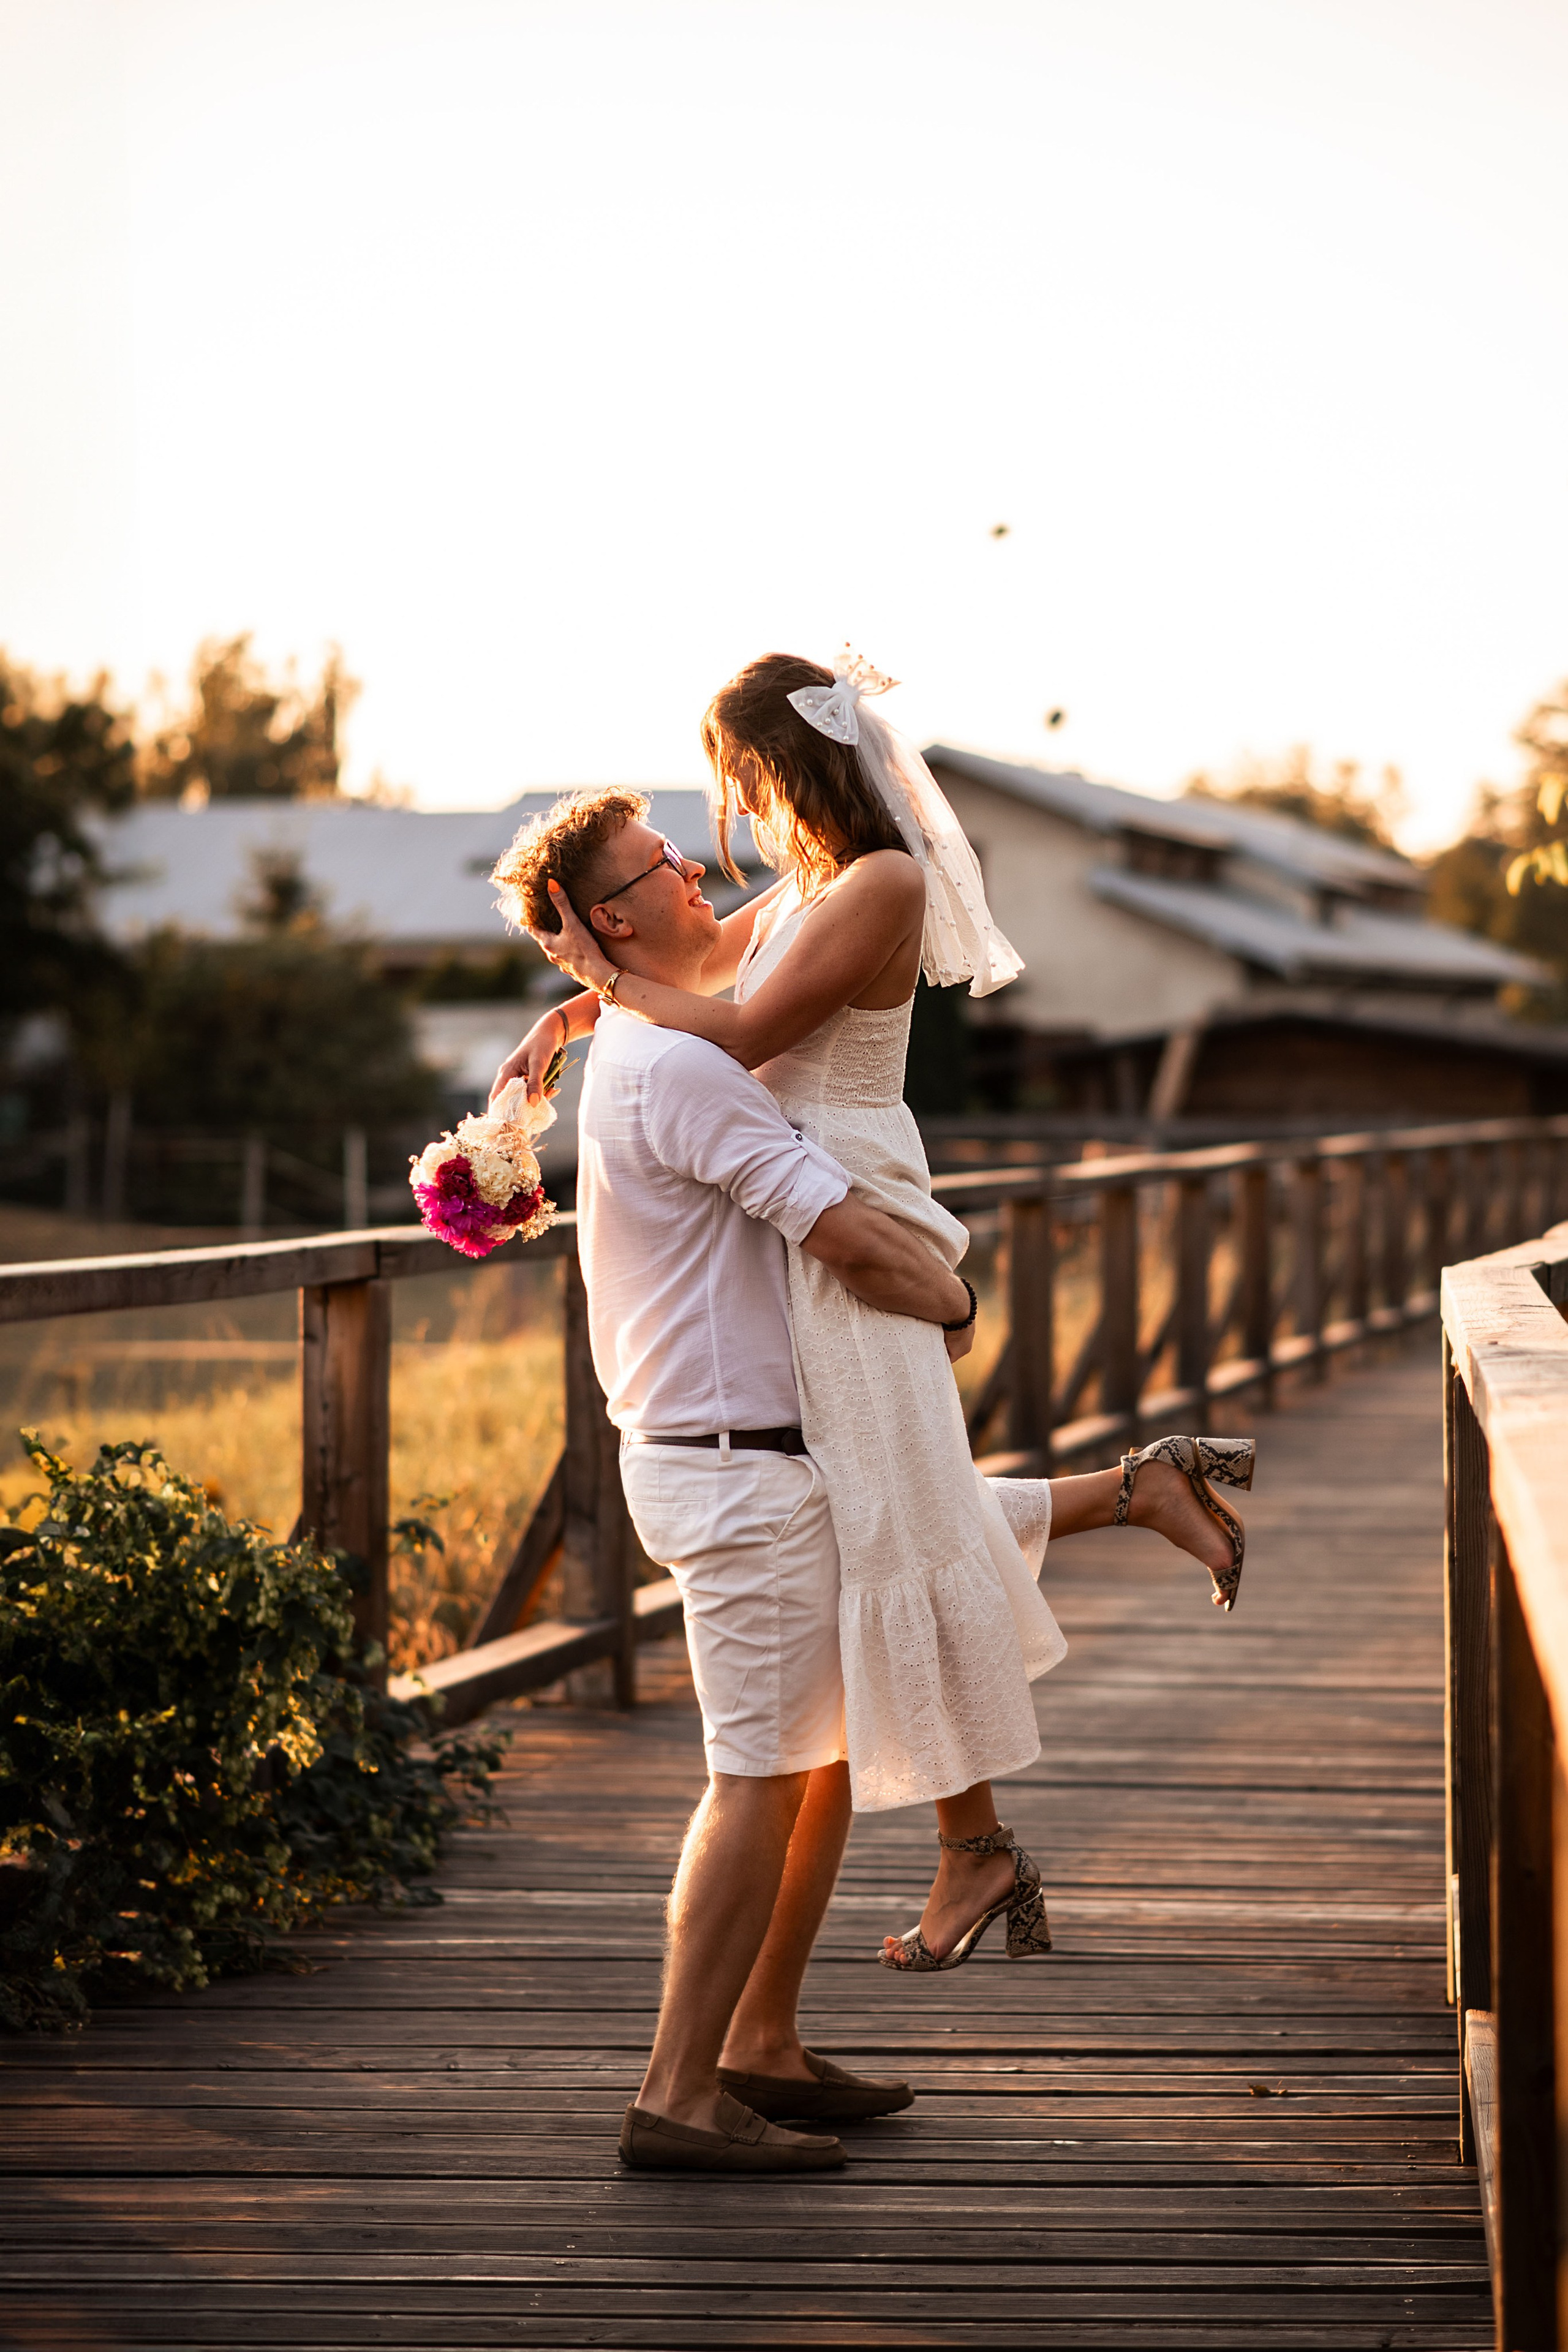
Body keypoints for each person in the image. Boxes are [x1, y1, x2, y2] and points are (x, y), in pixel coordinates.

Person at [492, 656, 1254, 1978]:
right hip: (800, 1211)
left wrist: (590, 979)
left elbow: (728, 1034)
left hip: (843, 1196)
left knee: (894, 1517)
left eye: (732, 777)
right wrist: (565, 1015)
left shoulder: (880, 882)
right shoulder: (805, 892)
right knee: (886, 1508)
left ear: (780, 763)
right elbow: (694, 986)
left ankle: (978, 1845)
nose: (722, 811)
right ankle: (1134, 1495)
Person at [491, 785, 982, 2171]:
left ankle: (758, 2047)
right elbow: (837, 1230)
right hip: (734, 1472)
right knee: (756, 1776)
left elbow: (763, 941)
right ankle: (675, 2092)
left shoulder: (642, 1038)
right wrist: (946, 1298)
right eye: (658, 864)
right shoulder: (681, 1071)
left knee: (811, 1764)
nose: (696, 868)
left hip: (747, 1459)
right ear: (606, 917)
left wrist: (570, 1007)